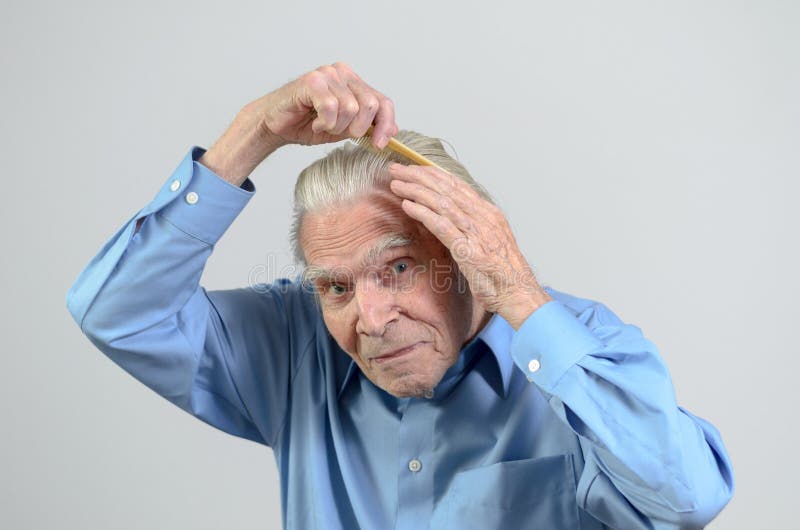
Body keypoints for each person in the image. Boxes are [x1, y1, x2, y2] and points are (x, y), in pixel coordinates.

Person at [66, 62, 734, 529]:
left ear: (470, 247)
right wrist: (254, 133)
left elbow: (686, 500)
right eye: (335, 286)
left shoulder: (580, 350)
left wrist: (520, 295)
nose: (371, 319)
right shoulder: (295, 344)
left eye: (399, 268)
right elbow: (118, 311)